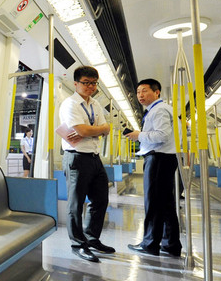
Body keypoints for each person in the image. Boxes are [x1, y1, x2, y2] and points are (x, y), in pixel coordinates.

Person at [58, 66, 114, 262]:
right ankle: (78, 244)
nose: (91, 87)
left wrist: (95, 129)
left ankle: (91, 238)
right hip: (76, 157)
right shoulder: (70, 104)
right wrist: (96, 129)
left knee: (100, 200)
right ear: (76, 84)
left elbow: (106, 128)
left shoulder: (96, 105)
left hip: (94, 157)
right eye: (86, 83)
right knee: (76, 203)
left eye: (94, 83)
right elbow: (81, 130)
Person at [124, 78, 181, 257]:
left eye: (145, 91)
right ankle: (170, 244)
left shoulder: (159, 110)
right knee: (166, 203)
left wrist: (138, 135)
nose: (140, 95)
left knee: (154, 203)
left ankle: (150, 243)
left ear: (157, 93)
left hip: (159, 158)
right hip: (165, 158)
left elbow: (162, 135)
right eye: (138, 92)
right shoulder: (158, 110)